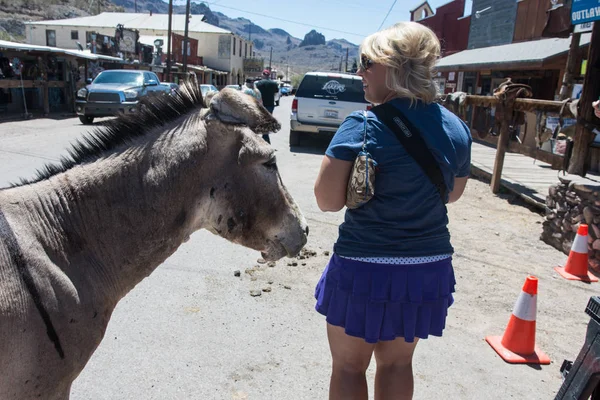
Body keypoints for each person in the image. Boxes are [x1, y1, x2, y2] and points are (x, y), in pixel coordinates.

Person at [313, 22, 472, 400]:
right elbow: (452, 194)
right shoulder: (456, 128)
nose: (360, 72)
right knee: (398, 364)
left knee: (350, 367)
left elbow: (327, 201)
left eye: (367, 62)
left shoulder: (362, 126)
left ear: (394, 67)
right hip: (425, 269)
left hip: (363, 268)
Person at [255, 69, 279, 144]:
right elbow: (276, 94)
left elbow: (256, 94)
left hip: (260, 105)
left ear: (263, 74)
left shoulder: (258, 84)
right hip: (270, 105)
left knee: (261, 121)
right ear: (269, 75)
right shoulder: (274, 84)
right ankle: (265, 139)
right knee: (267, 121)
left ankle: (265, 139)